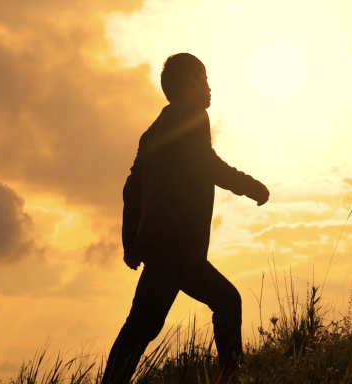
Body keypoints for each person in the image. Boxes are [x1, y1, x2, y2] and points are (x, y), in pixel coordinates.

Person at [102, 53, 270, 384]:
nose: (209, 88)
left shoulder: (151, 133)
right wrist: (250, 187)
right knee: (220, 303)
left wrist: (131, 243)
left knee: (144, 325)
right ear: (192, 81)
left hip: (164, 248)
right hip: (176, 246)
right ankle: (230, 379)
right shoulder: (192, 115)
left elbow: (131, 190)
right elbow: (207, 163)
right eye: (205, 80)